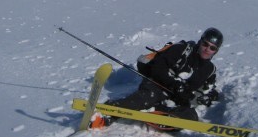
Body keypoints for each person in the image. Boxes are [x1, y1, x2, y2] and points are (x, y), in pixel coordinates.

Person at [90, 27, 223, 129]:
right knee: (147, 98)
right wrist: (174, 84)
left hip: (174, 100)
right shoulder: (181, 49)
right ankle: (107, 112)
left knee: (190, 116)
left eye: (212, 48)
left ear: (215, 51)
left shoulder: (209, 70)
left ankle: (156, 114)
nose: (207, 49)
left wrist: (208, 96)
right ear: (200, 42)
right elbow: (158, 68)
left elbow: (208, 88)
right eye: (205, 44)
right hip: (158, 85)